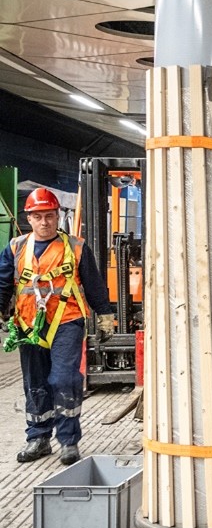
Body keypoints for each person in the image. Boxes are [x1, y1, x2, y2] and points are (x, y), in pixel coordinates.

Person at [0, 188, 115, 464]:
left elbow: (94, 283)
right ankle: (38, 438)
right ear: (29, 218)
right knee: (35, 384)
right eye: (38, 216)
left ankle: (68, 441)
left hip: (67, 322)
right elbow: (3, 283)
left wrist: (105, 314)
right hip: (28, 325)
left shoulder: (75, 247)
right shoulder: (16, 248)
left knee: (64, 379)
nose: (44, 222)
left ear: (57, 216)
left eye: (49, 216)